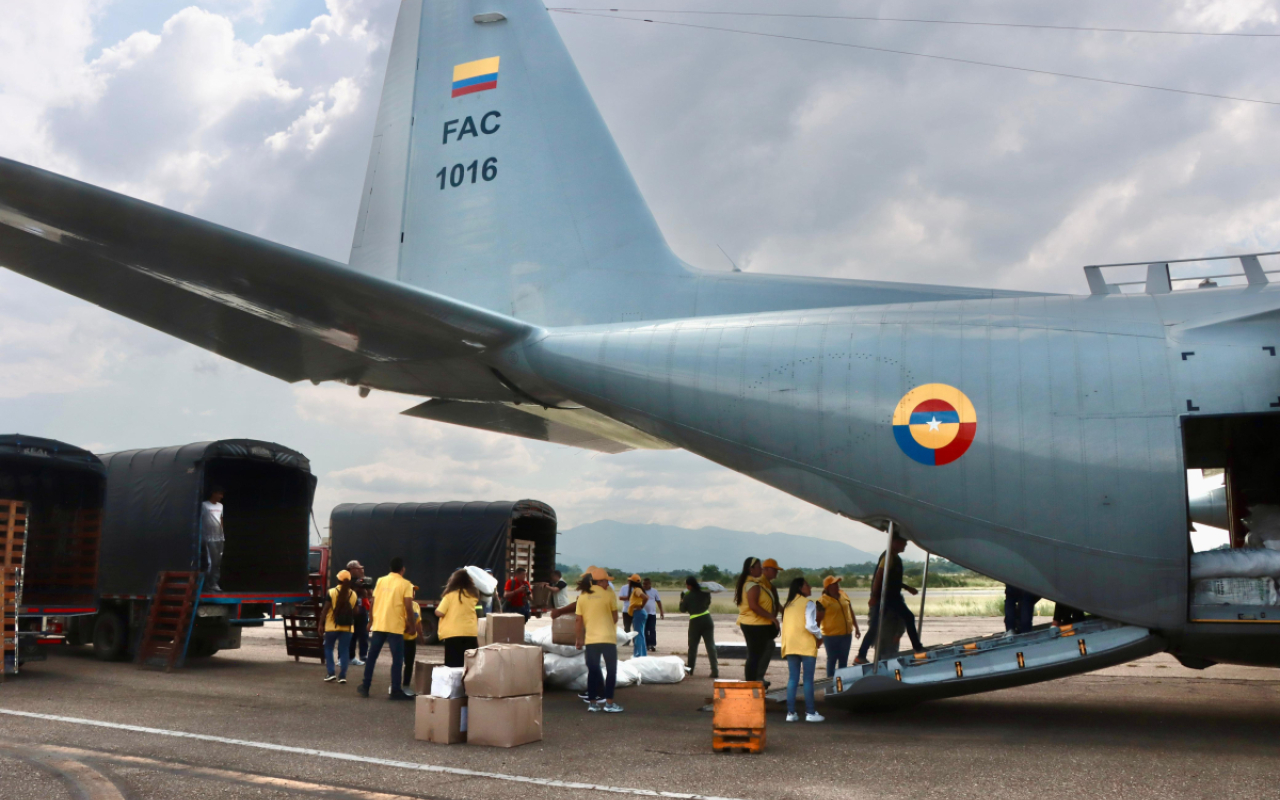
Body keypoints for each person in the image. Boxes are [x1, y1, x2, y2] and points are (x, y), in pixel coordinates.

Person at [854, 534, 925, 664]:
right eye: (903, 543)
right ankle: (917, 647)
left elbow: (892, 580)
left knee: (878, 626)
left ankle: (861, 655)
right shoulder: (888, 557)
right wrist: (875, 597)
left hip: (891, 597)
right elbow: (879, 576)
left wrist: (907, 587)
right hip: (886, 598)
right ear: (894, 542)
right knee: (907, 618)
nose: (905, 545)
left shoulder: (895, 558)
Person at [357, 556, 416, 700]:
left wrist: (370, 621)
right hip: (395, 626)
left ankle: (365, 686)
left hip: (379, 624)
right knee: (397, 660)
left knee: (372, 657)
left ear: (390, 569)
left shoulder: (381, 581)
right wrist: (411, 624)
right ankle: (396, 690)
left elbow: (373, 602)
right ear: (403, 569)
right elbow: (409, 606)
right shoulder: (406, 584)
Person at [575, 571, 623, 713]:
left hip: (591, 640)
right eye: (605, 581)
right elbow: (615, 617)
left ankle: (592, 703)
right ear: (598, 582)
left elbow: (578, 620)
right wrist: (606, 624)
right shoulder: (609, 594)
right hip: (608, 639)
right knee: (611, 671)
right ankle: (609, 704)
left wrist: (579, 639)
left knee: (593, 671)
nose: (608, 584)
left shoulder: (582, 597)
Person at [781, 577, 824, 723]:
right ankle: (810, 712)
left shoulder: (788, 605)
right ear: (800, 588)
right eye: (807, 585)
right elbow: (810, 625)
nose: (810, 587)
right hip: (805, 645)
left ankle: (791, 713)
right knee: (807, 680)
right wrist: (820, 635)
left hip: (791, 645)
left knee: (793, 678)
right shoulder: (808, 603)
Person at [734, 557, 777, 683]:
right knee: (755, 655)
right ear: (751, 569)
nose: (761, 569)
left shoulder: (750, 583)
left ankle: (756, 680)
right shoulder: (752, 585)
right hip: (754, 624)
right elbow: (753, 606)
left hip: (753, 623)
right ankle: (752, 683)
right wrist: (771, 617)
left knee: (763, 649)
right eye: (759, 567)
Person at [318, 569, 358, 684]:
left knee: (329, 648)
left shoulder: (331, 592)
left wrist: (321, 624)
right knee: (344, 650)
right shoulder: (353, 594)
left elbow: (325, 610)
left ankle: (331, 673)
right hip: (348, 628)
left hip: (332, 626)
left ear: (337, 580)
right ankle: (342, 676)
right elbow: (355, 611)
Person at [435, 568, 480, 668]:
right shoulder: (474, 596)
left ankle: (455, 684)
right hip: (470, 633)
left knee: (452, 667)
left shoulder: (449, 596)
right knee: (469, 666)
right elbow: (478, 611)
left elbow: (439, 612)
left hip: (453, 635)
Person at [817, 575, 859, 678]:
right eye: (834, 584)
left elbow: (851, 611)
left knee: (843, 660)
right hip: (831, 636)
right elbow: (817, 620)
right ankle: (831, 682)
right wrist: (817, 637)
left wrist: (856, 628)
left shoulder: (844, 595)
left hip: (846, 635)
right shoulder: (823, 601)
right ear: (828, 587)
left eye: (837, 583)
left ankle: (842, 682)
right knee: (832, 659)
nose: (837, 585)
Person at [680, 575, 718, 678]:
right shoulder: (705, 593)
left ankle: (690, 669)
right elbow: (708, 602)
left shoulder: (687, 596)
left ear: (689, 585)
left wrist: (682, 599)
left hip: (695, 622)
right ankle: (715, 670)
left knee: (692, 647)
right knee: (710, 646)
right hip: (707, 619)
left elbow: (682, 609)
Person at [757, 558, 783, 679]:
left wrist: (785, 612)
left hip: (767, 624)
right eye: (774, 570)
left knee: (765, 648)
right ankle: (756, 678)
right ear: (766, 570)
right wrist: (772, 618)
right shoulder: (759, 585)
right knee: (765, 648)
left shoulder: (770, 586)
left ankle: (758, 677)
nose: (776, 573)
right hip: (759, 624)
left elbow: (775, 603)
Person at [400, 586, 425, 695]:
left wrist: (421, 635)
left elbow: (418, 622)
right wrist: (407, 628)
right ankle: (395, 686)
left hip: (411, 640)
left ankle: (406, 685)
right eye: (411, 591)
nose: (413, 593)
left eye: (414, 591)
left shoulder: (416, 606)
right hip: (399, 639)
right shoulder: (400, 605)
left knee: (409, 663)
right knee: (398, 663)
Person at [200, 486, 225, 592]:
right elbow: (200, 519)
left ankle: (214, 583)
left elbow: (220, 519)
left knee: (217, 562)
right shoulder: (204, 505)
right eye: (219, 494)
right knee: (210, 562)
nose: (221, 496)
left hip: (219, 537)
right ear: (213, 493)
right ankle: (207, 584)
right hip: (208, 537)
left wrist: (222, 533)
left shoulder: (220, 506)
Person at [346, 560, 370, 665]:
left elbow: (369, 594)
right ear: (352, 569)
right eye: (358, 568)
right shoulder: (346, 579)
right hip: (350, 610)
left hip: (362, 609)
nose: (361, 569)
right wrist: (356, 588)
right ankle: (350, 656)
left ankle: (363, 656)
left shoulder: (365, 579)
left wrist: (363, 581)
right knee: (351, 634)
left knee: (364, 634)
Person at [624, 575, 649, 658]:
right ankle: (642, 654)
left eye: (630, 581)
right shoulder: (637, 589)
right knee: (640, 634)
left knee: (638, 634)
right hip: (639, 613)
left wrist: (641, 606)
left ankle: (638, 654)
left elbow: (645, 598)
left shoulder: (637, 590)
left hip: (638, 612)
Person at [641, 577, 664, 652]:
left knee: (652, 629)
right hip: (643, 614)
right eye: (643, 584)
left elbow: (658, 601)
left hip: (652, 614)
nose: (644, 585)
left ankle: (653, 644)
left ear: (650, 584)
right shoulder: (640, 591)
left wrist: (661, 612)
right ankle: (646, 644)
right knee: (644, 630)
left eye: (646, 584)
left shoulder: (654, 591)